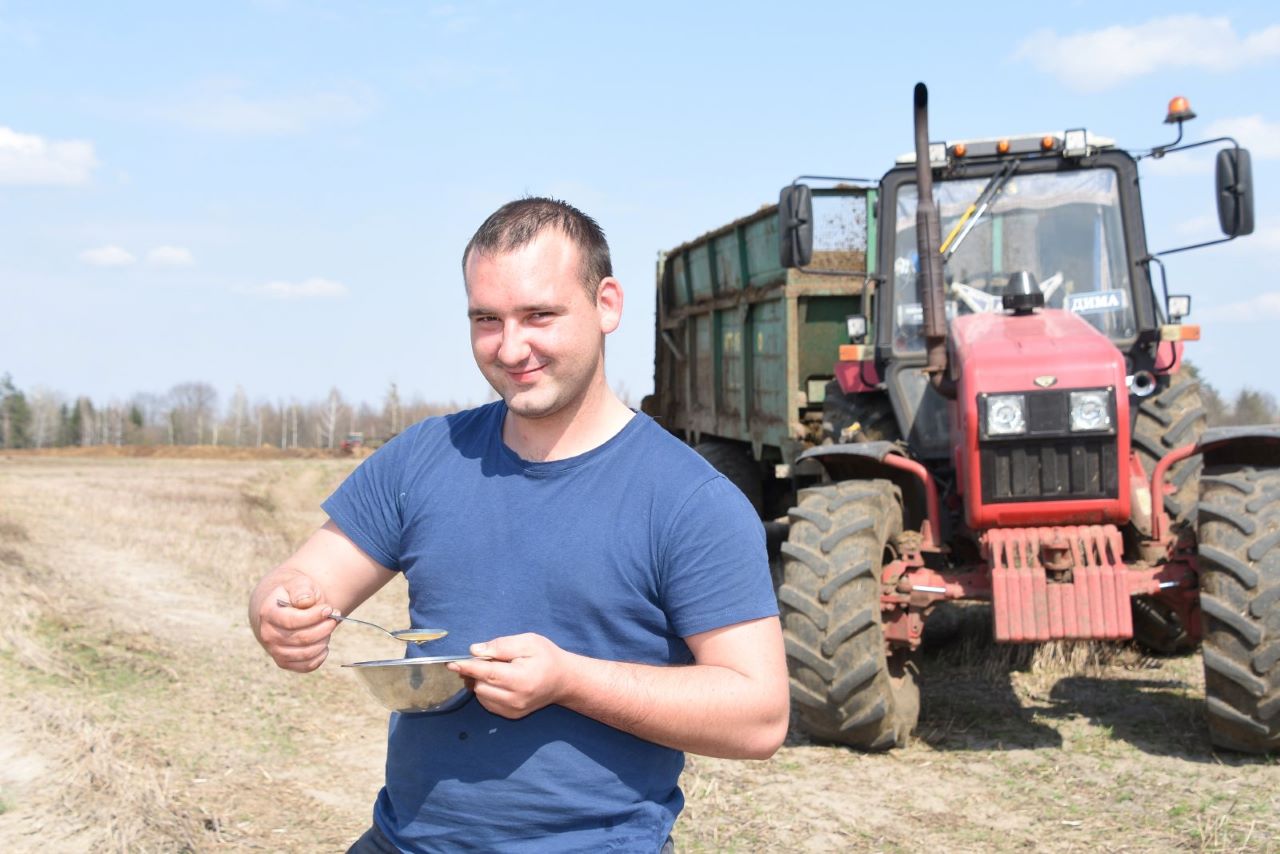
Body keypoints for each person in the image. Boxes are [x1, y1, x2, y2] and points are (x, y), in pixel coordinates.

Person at [248, 197, 789, 853]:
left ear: (607, 305)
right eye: (487, 319)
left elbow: (759, 717)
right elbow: (303, 580)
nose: (510, 348)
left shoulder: (689, 500)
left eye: (539, 316)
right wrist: (281, 610)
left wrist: (570, 681)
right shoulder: (426, 457)